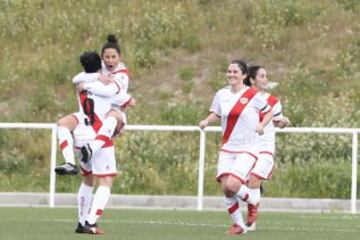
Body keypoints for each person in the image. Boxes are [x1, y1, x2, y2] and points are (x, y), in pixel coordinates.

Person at [199, 59, 273, 235]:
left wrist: (262, 125)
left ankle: (253, 200)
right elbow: (216, 113)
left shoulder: (252, 95)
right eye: (229, 71)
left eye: (235, 72)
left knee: (233, 184)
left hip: (248, 147)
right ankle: (239, 225)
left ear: (244, 75)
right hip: (228, 147)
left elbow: (268, 112)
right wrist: (206, 121)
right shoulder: (221, 94)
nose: (231, 75)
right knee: (226, 188)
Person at [55, 34, 134, 175]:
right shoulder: (100, 69)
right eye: (107, 57)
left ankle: (92, 147)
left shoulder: (122, 74)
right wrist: (97, 76)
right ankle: (69, 163)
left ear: (120, 57)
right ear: (102, 58)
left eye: (113, 57)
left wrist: (87, 85)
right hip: (91, 115)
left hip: (115, 110)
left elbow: (111, 91)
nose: (110, 60)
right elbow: (76, 78)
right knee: (62, 124)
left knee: (112, 116)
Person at [243, 65, 290, 231]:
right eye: (262, 76)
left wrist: (283, 122)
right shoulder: (243, 98)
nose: (266, 79)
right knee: (237, 185)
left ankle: (251, 223)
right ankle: (249, 201)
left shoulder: (273, 101)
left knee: (254, 179)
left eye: (266, 76)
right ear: (252, 80)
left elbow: (277, 121)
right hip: (246, 146)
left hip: (265, 146)